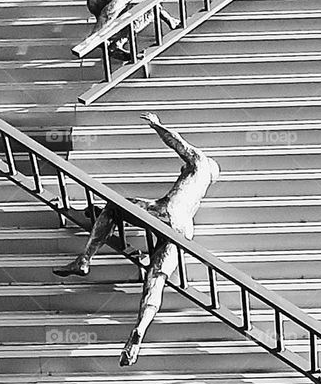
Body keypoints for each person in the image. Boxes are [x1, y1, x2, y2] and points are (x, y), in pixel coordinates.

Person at [53, 112, 220, 367]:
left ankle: (84, 259)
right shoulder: (199, 194)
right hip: (184, 231)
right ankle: (140, 329)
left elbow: (178, 143)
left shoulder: (200, 162)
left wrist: (157, 125)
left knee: (116, 206)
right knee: (156, 279)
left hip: (165, 213)